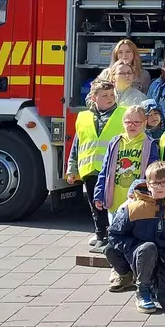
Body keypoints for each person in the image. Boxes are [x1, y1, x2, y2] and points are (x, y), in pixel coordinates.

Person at [105, 161, 165, 313]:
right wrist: (134, 250)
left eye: (164, 183)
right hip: (141, 255)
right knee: (147, 248)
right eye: (155, 183)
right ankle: (142, 290)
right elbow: (114, 234)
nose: (159, 187)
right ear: (148, 184)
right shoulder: (133, 208)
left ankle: (153, 281)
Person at [65, 80, 122, 251]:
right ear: (94, 97)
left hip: (114, 169)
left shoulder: (122, 114)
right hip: (90, 169)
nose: (109, 98)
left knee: (113, 204)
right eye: (104, 95)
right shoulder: (83, 117)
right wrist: (71, 169)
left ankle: (114, 235)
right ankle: (100, 236)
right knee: (95, 205)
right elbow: (77, 144)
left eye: (112, 95)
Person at [94, 105, 159, 220]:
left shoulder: (150, 144)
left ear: (144, 123)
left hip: (137, 201)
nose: (132, 125)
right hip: (115, 201)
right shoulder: (115, 142)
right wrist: (99, 193)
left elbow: (153, 174)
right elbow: (105, 170)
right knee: (115, 233)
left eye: (137, 122)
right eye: (128, 122)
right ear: (123, 123)